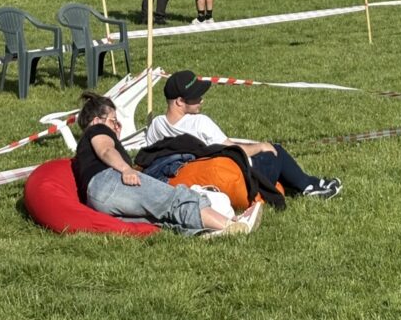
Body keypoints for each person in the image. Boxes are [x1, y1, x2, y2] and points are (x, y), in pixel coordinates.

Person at [72, 91, 262, 237]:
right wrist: (125, 168)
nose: (117, 126)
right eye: (114, 121)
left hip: (97, 200)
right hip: (109, 183)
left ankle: (211, 232)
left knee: (159, 218)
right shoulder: (98, 129)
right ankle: (232, 225)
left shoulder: (83, 148)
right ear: (96, 120)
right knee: (174, 198)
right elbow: (106, 150)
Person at [144, 71, 342, 200]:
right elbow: (232, 149)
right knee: (276, 151)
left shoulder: (156, 125)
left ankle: (302, 183)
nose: (201, 100)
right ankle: (309, 186)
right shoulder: (199, 122)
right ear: (179, 101)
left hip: (192, 177)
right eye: (196, 97)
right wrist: (260, 146)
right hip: (232, 175)